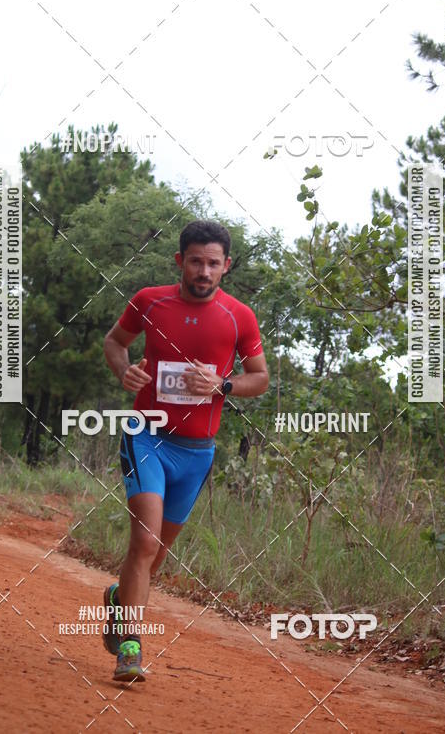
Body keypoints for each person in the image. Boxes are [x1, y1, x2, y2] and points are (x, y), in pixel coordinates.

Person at [102, 220, 269, 682]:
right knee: (145, 540)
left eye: (213, 262)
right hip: (146, 434)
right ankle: (130, 650)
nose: (203, 270)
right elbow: (115, 343)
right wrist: (124, 372)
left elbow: (260, 377)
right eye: (195, 261)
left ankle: (120, 599)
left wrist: (224, 383)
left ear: (226, 266)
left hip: (197, 452)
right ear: (179, 261)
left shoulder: (239, 316)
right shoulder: (149, 300)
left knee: (155, 557)